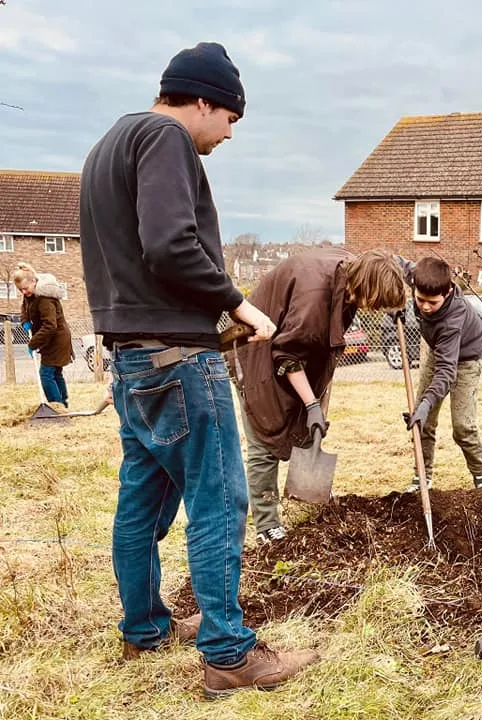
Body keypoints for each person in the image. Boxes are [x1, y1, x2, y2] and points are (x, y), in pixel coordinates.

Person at [79, 41, 317, 698]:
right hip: (180, 362)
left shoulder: (108, 145)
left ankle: (145, 626)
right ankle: (228, 654)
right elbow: (168, 242)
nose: (231, 132)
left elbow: (136, 258)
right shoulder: (164, 136)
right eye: (232, 118)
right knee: (219, 499)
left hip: (132, 359)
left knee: (142, 500)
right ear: (205, 100)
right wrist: (238, 305)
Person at [233, 248, 405, 543]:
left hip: (290, 345)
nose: (374, 310)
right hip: (257, 349)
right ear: (368, 287)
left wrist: (400, 296)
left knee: (303, 421)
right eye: (378, 303)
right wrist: (312, 403)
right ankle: (266, 525)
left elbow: (403, 265)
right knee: (265, 435)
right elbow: (285, 354)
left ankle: (302, 492)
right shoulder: (314, 297)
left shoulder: (352, 269)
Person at [394, 255, 482, 492]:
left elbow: (447, 371)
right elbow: (389, 261)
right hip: (435, 349)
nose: (425, 307)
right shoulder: (416, 275)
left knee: (463, 427)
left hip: (465, 360)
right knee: (422, 421)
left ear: (447, 294)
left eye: (432, 303)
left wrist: (426, 403)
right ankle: (422, 477)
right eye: (420, 300)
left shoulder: (452, 319)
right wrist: (392, 302)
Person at [14, 262, 72, 407]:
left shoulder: (44, 298)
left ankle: (56, 406)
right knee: (55, 373)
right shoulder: (30, 295)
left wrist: (33, 344)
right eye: (20, 290)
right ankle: (62, 404)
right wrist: (25, 320)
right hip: (50, 339)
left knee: (46, 374)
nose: (23, 292)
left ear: (34, 281)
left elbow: (50, 325)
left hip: (57, 339)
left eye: (25, 289)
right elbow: (24, 306)